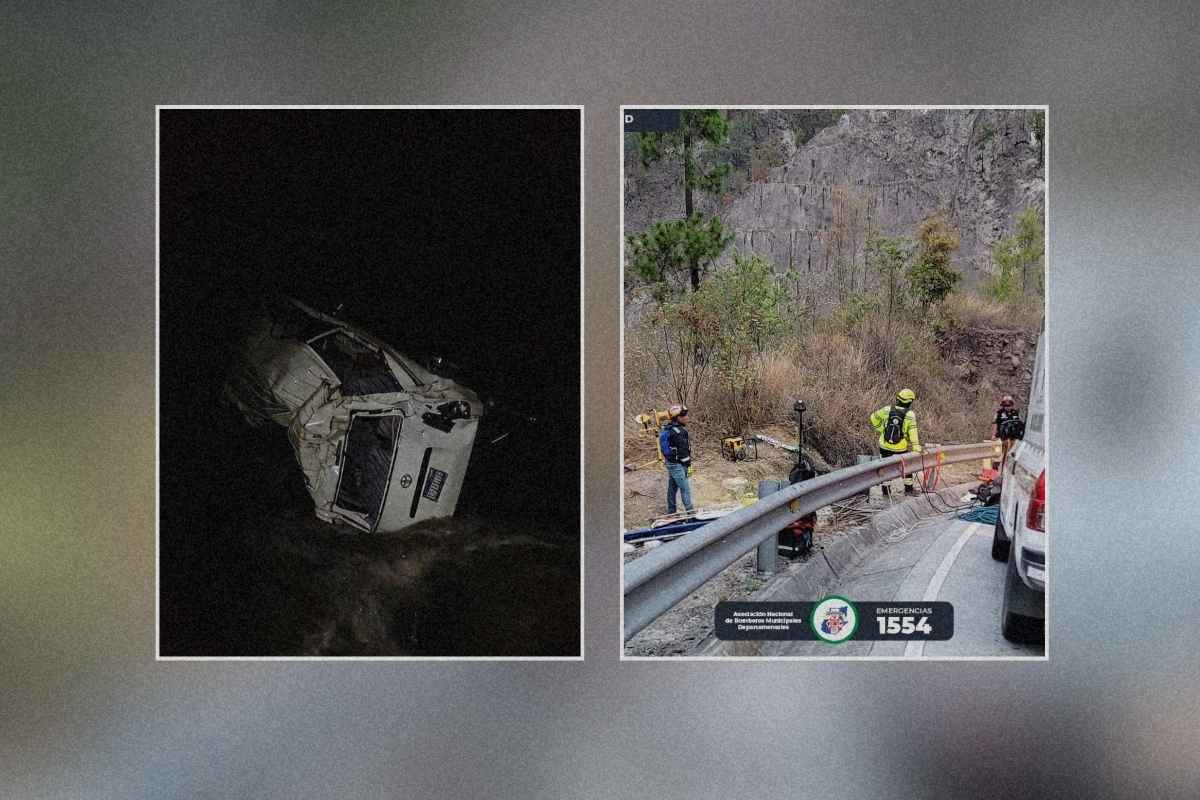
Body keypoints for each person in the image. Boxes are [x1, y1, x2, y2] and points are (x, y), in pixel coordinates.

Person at [869, 388, 922, 496]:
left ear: (898, 398)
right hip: (900, 448)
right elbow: (913, 433)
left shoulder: (887, 409)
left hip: (884, 446)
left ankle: (886, 492)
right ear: (910, 402)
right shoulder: (910, 414)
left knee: (885, 468)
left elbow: (873, 417)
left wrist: (881, 430)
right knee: (907, 467)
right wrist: (916, 448)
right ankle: (908, 490)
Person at [659, 404, 694, 516]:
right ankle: (691, 513)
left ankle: (671, 512)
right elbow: (683, 451)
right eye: (684, 415)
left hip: (674, 464)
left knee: (672, 488)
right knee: (685, 489)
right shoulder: (678, 432)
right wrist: (687, 464)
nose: (687, 417)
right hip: (677, 465)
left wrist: (688, 465)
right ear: (678, 418)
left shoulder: (670, 429)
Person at [991, 394, 1023, 469]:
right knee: (1001, 452)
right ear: (1003, 405)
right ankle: (997, 465)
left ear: (1012, 405)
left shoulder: (1015, 412)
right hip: (1002, 437)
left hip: (1013, 438)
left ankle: (1005, 467)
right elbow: (995, 424)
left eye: (1009, 405)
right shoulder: (999, 413)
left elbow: (1019, 424)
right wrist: (993, 435)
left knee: (1010, 453)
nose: (1007, 407)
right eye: (1005, 405)